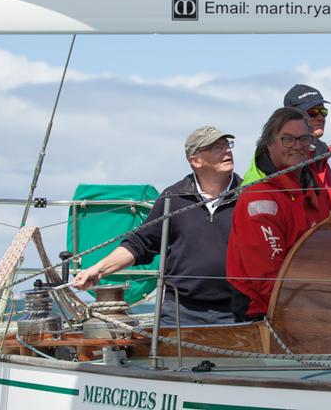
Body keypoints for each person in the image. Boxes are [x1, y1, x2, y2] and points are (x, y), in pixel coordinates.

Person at [73, 126, 242, 325]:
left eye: (227, 145)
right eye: (216, 147)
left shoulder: (249, 195)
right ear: (195, 160)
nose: (227, 151)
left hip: (237, 309)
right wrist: (98, 270)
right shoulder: (173, 197)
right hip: (181, 311)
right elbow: (140, 243)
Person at [226, 107, 331, 321]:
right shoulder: (259, 200)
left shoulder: (314, 193)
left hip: (309, 306)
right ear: (269, 144)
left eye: (304, 138)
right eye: (287, 139)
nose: (297, 146)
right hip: (263, 314)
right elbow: (266, 279)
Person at [242, 84, 331, 209]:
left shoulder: (321, 155)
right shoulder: (271, 157)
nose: (320, 117)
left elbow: (328, 209)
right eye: (313, 112)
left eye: (323, 112)